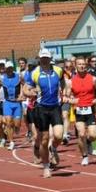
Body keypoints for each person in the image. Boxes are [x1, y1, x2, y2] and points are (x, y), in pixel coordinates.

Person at [25, 49, 66, 178]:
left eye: (46, 58)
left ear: (50, 59)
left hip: (55, 107)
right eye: (42, 58)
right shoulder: (34, 73)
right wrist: (31, 93)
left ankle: (52, 148)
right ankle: (46, 166)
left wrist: (64, 93)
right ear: (39, 59)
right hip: (41, 108)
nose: (44, 60)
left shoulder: (58, 71)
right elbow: (25, 89)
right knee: (44, 139)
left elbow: (63, 82)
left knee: (59, 135)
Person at [70, 56, 96, 166]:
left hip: (90, 110)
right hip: (78, 110)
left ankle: (88, 142)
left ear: (86, 65)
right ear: (75, 66)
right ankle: (84, 156)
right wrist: (71, 100)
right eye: (79, 64)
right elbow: (66, 96)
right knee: (81, 134)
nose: (82, 66)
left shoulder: (93, 79)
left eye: (83, 64)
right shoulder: (71, 81)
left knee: (93, 135)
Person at [0, 61, 23, 150]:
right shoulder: (2, 79)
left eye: (11, 68)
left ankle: (16, 128)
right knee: (8, 122)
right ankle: (11, 142)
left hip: (17, 103)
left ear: (13, 68)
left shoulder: (18, 76)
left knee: (17, 125)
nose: (9, 70)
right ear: (6, 69)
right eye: (8, 68)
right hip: (7, 103)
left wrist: (21, 95)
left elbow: (24, 85)